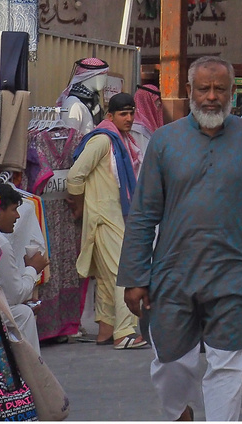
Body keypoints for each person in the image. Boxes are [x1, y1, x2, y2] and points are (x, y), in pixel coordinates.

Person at [120, 58, 242, 423]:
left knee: (228, 364)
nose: (211, 97)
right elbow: (143, 214)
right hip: (173, 273)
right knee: (170, 361)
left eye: (219, 89)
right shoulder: (164, 142)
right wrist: (135, 276)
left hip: (233, 272)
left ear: (231, 93)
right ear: (190, 91)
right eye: (203, 89)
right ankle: (179, 411)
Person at [66, 90, 145, 349]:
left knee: (107, 277)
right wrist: (79, 207)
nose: (129, 118)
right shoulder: (102, 140)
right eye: (124, 113)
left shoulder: (120, 141)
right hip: (104, 218)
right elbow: (75, 176)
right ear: (110, 115)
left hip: (112, 216)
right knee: (122, 274)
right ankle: (124, 333)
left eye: (132, 113)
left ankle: (106, 330)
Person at [0, 182, 49, 353]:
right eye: (14, 210)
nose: (17, 216)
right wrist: (32, 270)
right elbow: (16, 295)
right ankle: (31, 373)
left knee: (21, 310)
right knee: (24, 313)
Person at [58, 57, 112, 139]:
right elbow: (70, 141)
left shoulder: (93, 102)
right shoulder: (74, 104)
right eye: (103, 76)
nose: (105, 80)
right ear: (90, 76)